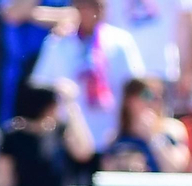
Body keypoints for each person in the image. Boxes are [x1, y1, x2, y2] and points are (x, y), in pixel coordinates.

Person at [28, 0, 145, 151]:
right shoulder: (58, 42)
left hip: (111, 133)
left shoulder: (121, 41)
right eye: (82, 6)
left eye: (93, 6)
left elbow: (135, 87)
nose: (87, 12)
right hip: (68, 138)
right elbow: (41, 86)